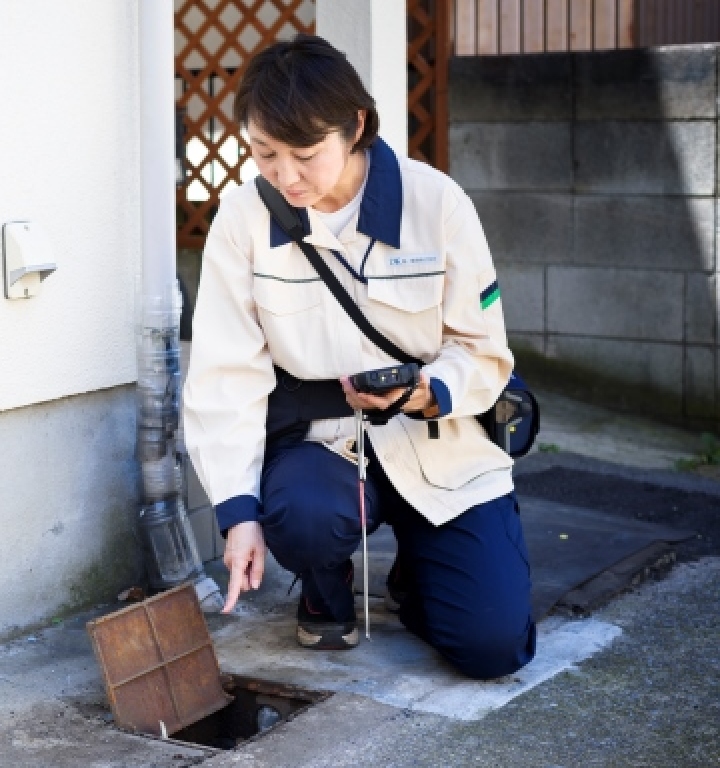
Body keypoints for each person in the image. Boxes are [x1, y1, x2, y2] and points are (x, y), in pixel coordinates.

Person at [182, 34, 536, 680]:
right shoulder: (242, 220)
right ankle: (324, 583)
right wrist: (236, 513)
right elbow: (224, 377)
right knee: (302, 516)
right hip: (325, 452)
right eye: (264, 152)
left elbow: (486, 354)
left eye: (305, 155)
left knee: (494, 647)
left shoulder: (439, 204)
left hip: (441, 441)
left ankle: (419, 574)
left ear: (356, 127)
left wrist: (427, 391)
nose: (284, 175)